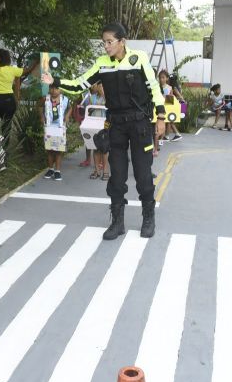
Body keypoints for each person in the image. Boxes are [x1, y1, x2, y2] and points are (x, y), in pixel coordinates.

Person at [41, 22, 165, 240]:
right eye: (104, 43)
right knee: (116, 175)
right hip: (115, 124)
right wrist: (56, 81)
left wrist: (161, 117)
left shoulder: (139, 59)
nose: (106, 47)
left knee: (143, 173)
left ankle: (148, 217)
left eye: (110, 42)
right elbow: (80, 84)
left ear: (122, 41)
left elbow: (154, 87)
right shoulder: (102, 63)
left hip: (140, 124)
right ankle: (117, 222)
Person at [41, 85, 72, 181]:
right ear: (49, 89)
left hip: (60, 127)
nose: (54, 91)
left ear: (61, 89)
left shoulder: (65, 99)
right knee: (49, 149)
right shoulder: (45, 99)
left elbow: (71, 107)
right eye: (52, 88)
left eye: (56, 88)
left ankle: (57, 171)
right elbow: (39, 107)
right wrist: (41, 117)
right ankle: (50, 169)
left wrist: (67, 116)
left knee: (59, 149)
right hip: (49, 127)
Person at [158, 70, 182, 142]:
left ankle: (166, 136)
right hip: (160, 106)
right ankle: (165, 136)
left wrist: (165, 98)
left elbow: (171, 98)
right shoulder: (158, 87)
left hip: (168, 106)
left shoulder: (169, 88)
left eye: (163, 77)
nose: (161, 79)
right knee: (166, 121)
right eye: (160, 78)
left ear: (167, 78)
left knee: (168, 121)